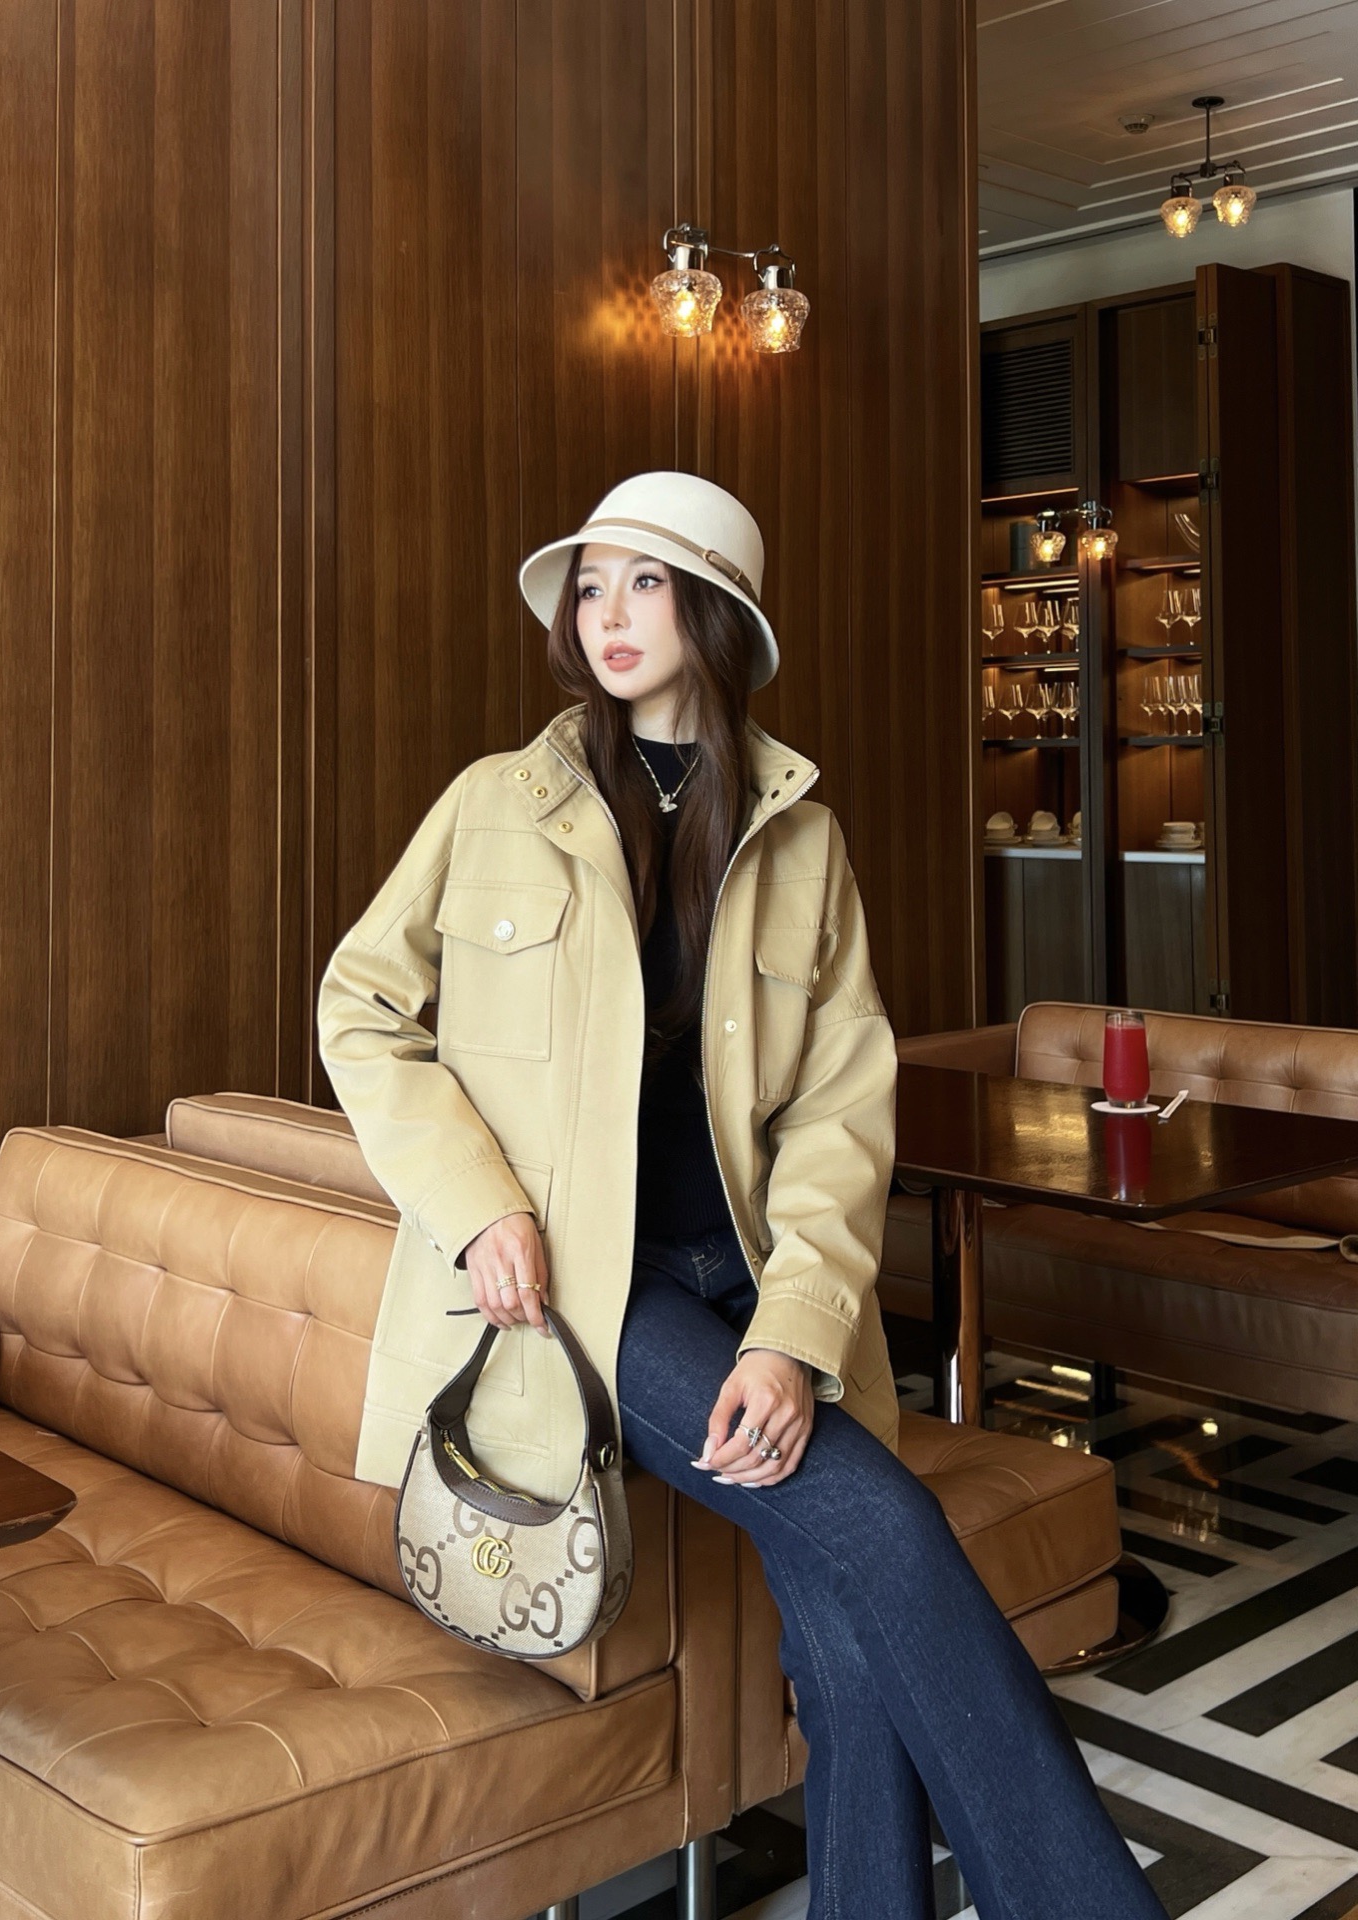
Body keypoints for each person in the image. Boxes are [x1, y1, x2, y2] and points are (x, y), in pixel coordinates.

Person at [316, 471, 1168, 1919]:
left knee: (848, 1652)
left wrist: (792, 1334)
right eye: (591, 586)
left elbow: (842, 1107)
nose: (608, 615)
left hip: (756, 1284)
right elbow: (360, 1009)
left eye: (645, 584)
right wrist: (479, 1205)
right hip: (589, 1292)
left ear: (712, 614)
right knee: (888, 1529)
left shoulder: (802, 841)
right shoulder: (495, 804)